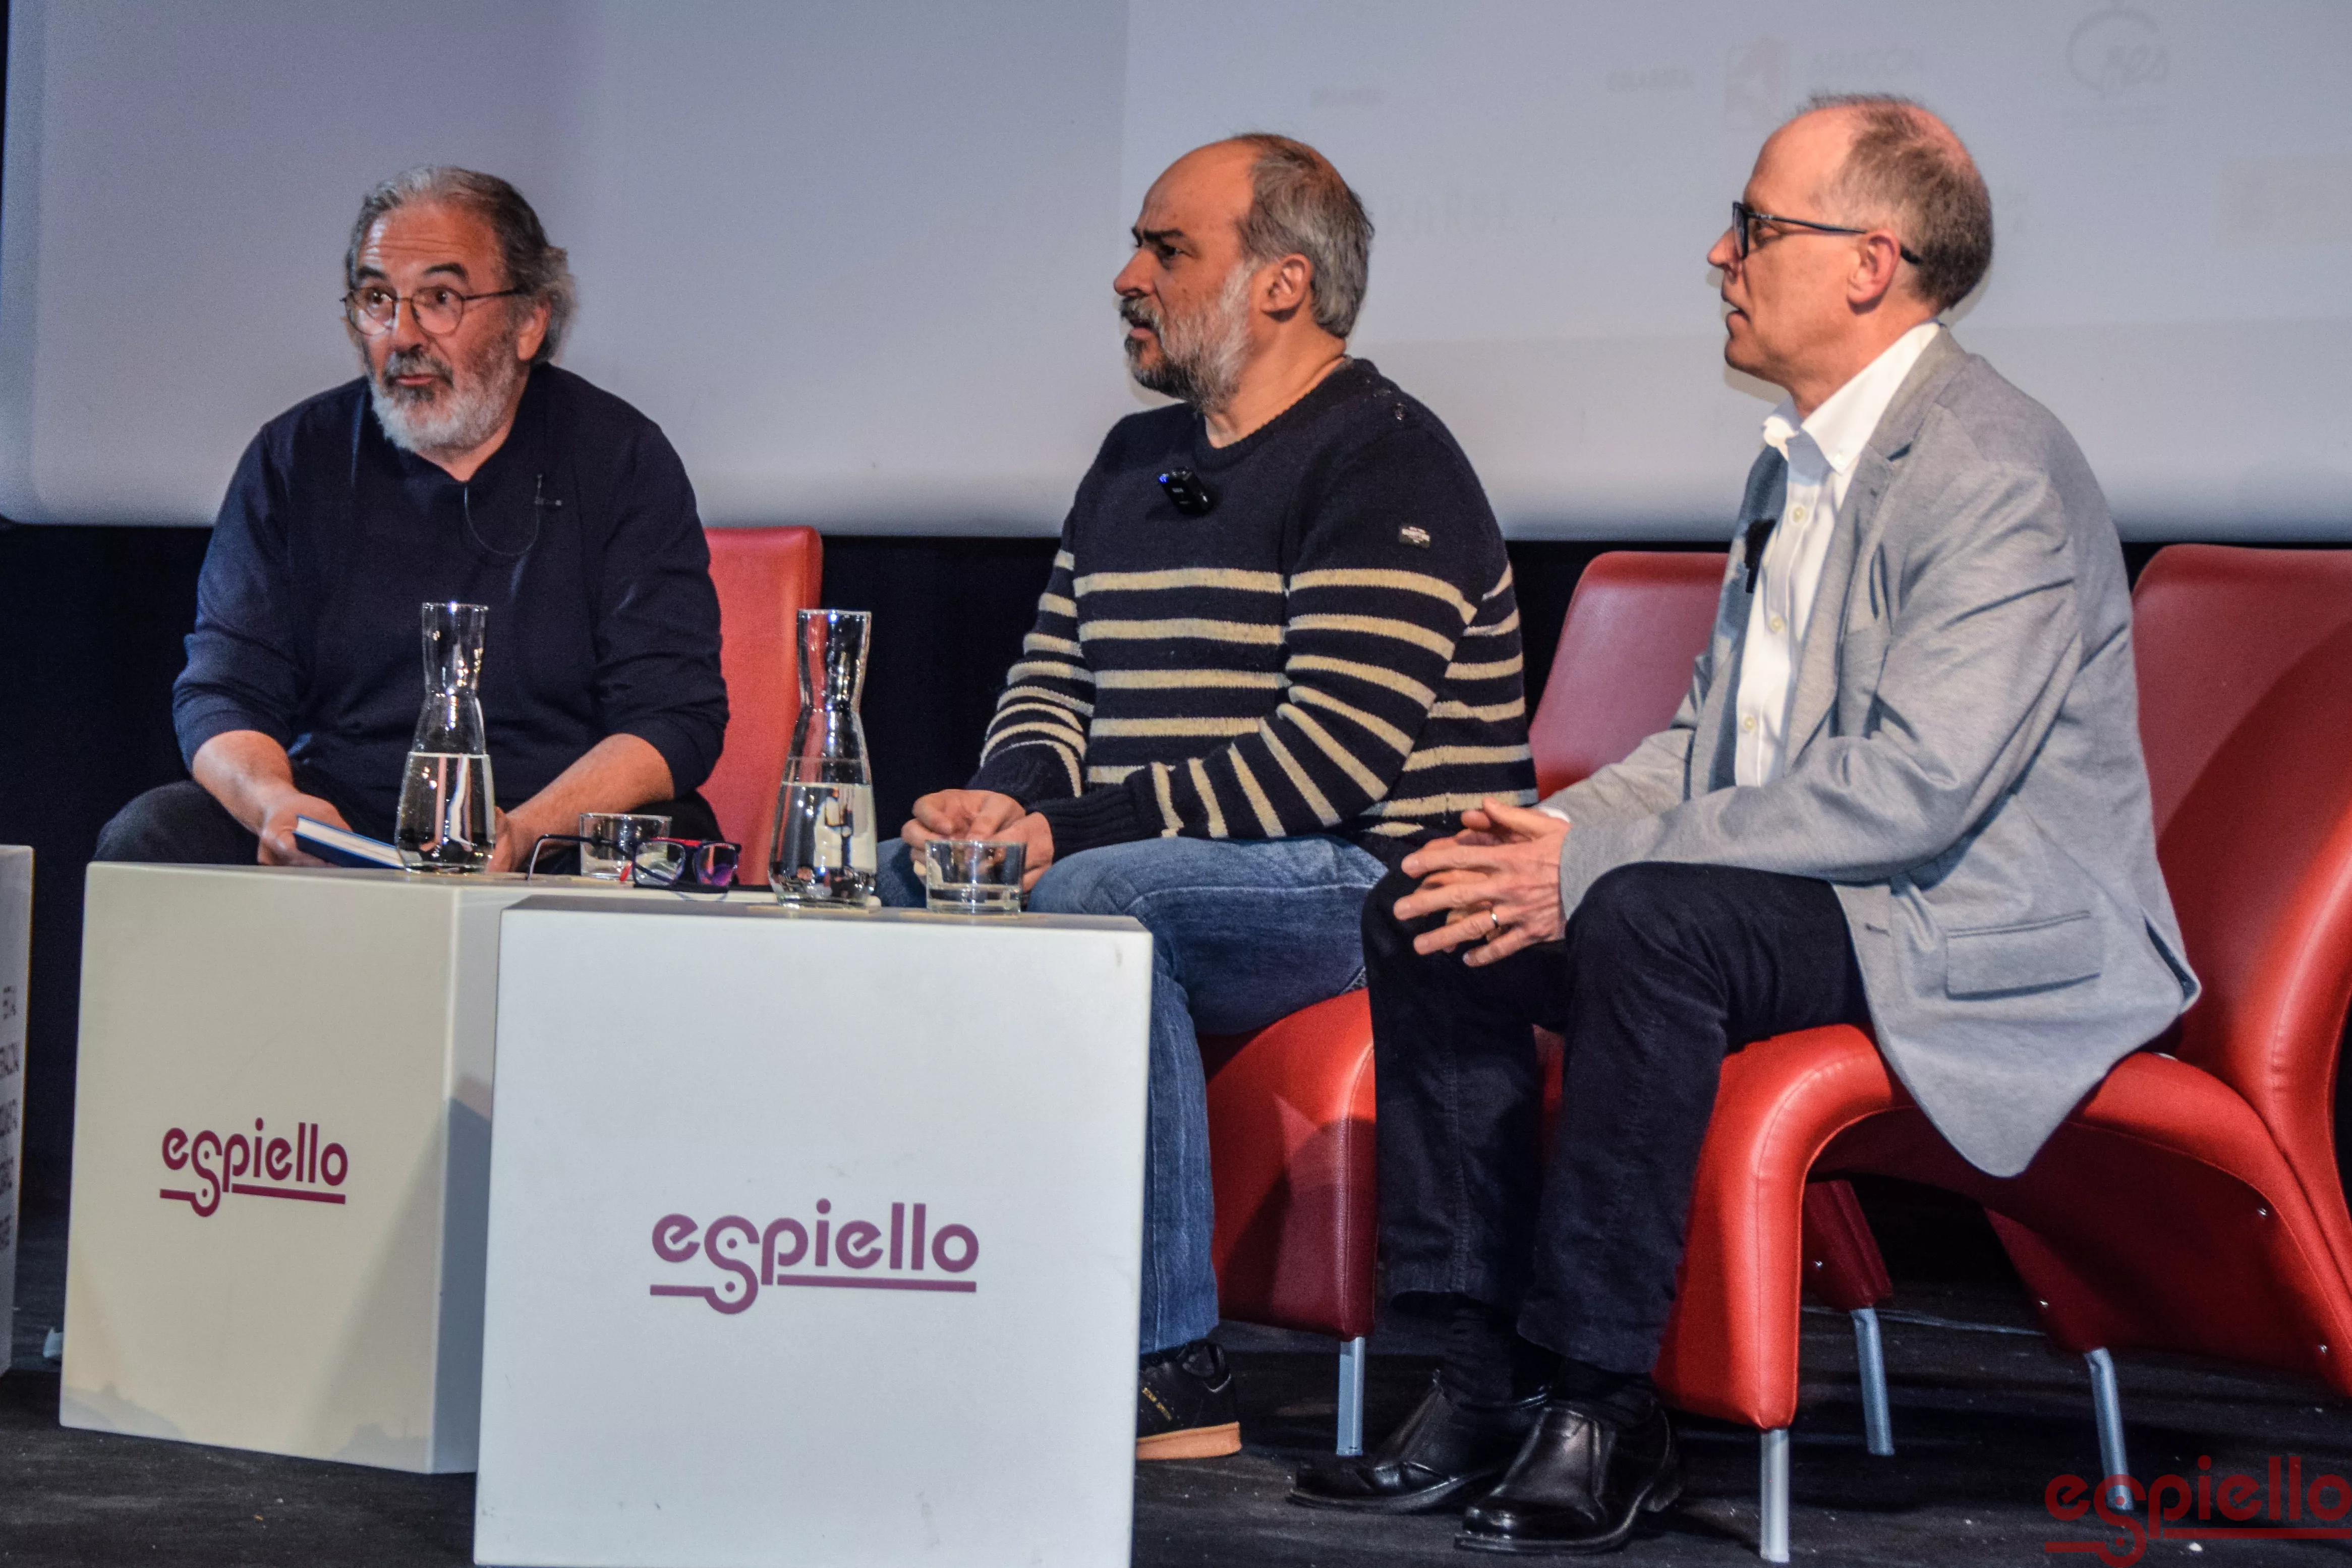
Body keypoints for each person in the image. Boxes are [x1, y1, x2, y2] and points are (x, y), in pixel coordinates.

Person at [1292, 95, 2198, 1552]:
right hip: (1827, 894)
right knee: (1432, 896)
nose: (1720, 253)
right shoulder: (1795, 462)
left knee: (1654, 920)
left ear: (1867, 263)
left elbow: (1918, 788)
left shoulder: (1991, 468)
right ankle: (1478, 1376)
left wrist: (1595, 866)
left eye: (1758, 226)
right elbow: (1704, 746)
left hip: (1972, 923)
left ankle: (1607, 1401)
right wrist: (1542, 835)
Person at [877, 135, 1536, 1459]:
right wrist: (998, 798)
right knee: (904, 877)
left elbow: (1332, 757)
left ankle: (1168, 1372)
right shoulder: (1149, 466)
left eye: (1165, 249)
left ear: (1281, 283)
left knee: (1102, 899)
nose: (1125, 277)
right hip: (1179, 860)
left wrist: (1065, 829)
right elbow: (1052, 674)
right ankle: (921, 1300)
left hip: (1370, 881)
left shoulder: (1380, 459)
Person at [95, 167, 727, 870]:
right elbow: (223, 690)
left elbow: (672, 714)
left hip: (555, 822)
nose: (401, 334)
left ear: (529, 321)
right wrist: (275, 802)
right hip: (347, 816)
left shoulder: (620, 456)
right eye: (376, 300)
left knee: (672, 849)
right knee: (156, 836)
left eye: (440, 299)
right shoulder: (297, 456)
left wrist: (522, 833)